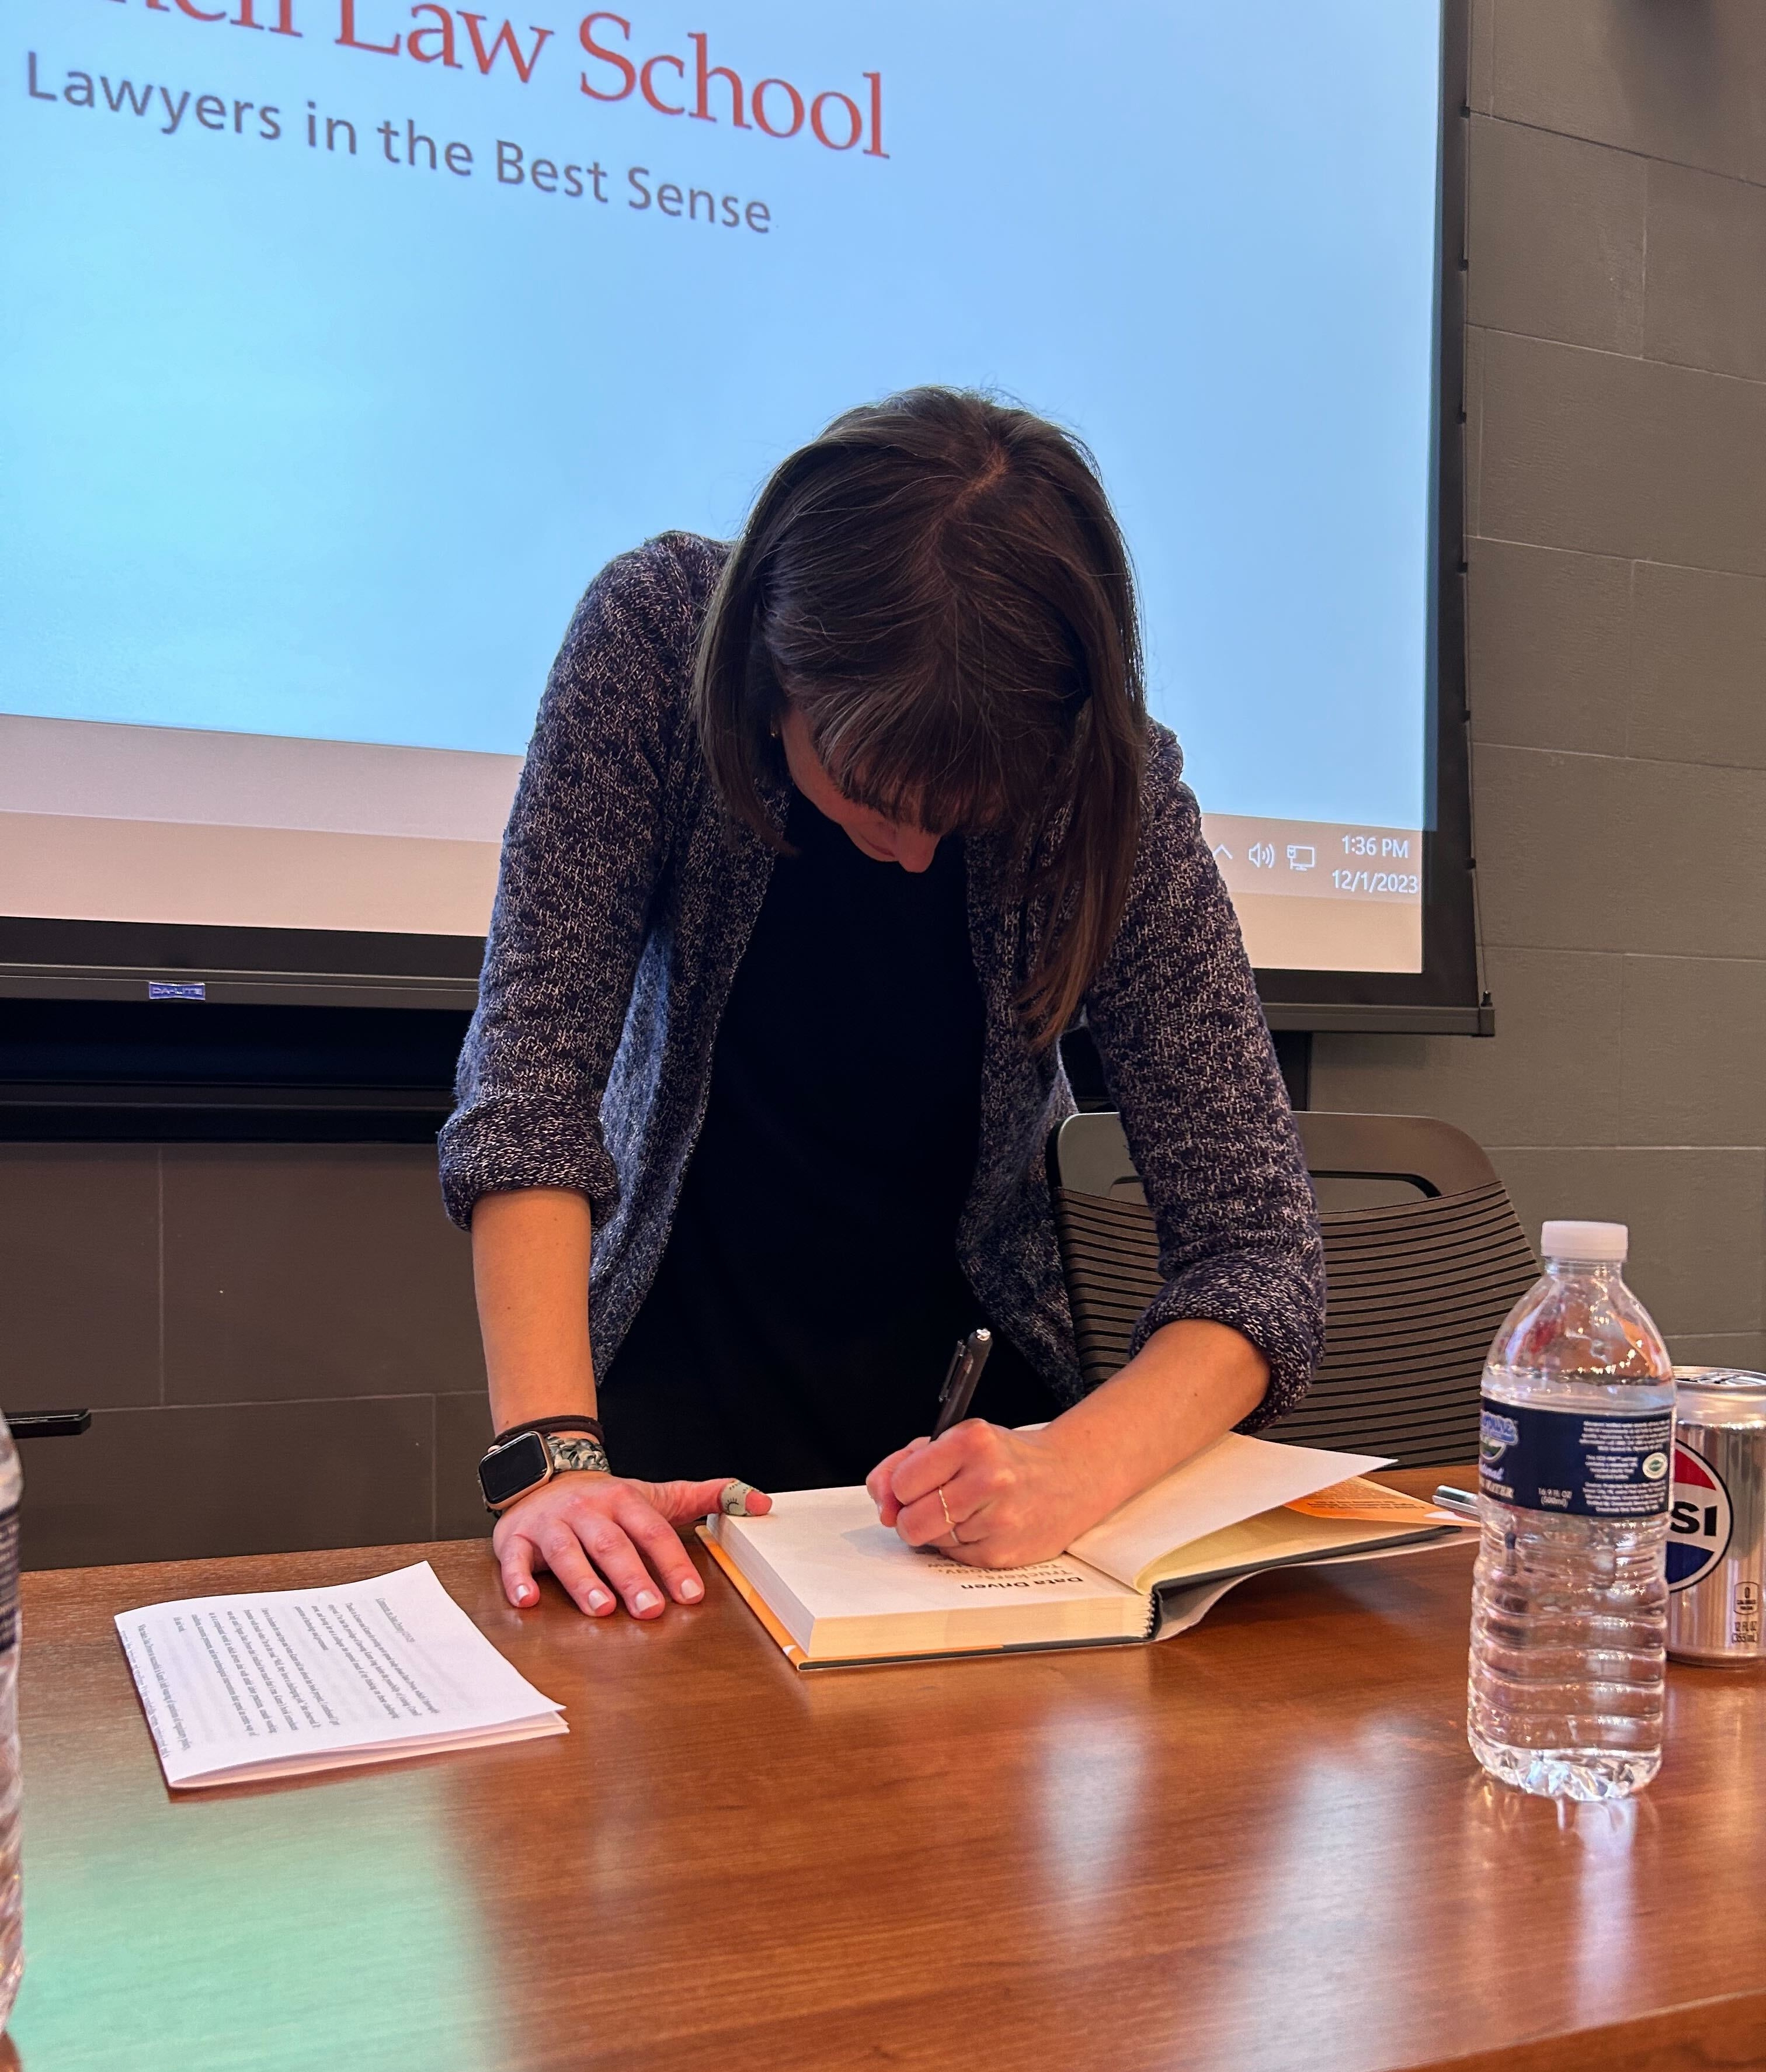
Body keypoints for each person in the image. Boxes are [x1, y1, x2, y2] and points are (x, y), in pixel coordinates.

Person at [439, 388, 1325, 1622]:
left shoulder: (1096, 773)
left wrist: (1074, 1462)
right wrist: (553, 1457)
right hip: (660, 1423)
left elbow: (1259, 1254)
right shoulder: (654, 638)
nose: (912, 853)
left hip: (978, 1448)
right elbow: (528, 1083)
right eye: (869, 787)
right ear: (771, 661)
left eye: (965, 817)